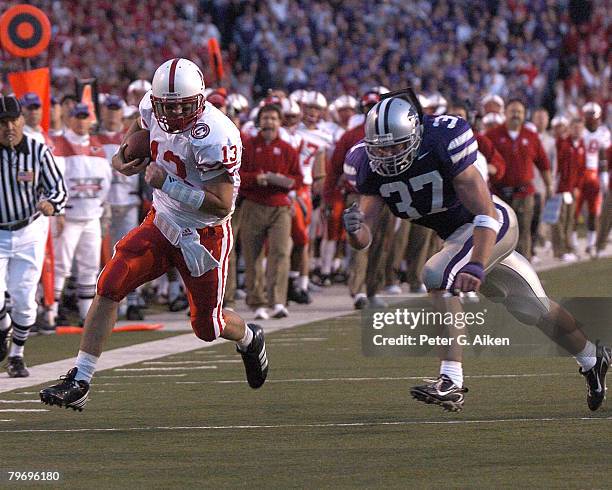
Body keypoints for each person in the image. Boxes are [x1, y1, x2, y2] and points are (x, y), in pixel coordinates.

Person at [342, 90, 610, 412]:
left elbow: (486, 213)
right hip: (457, 238)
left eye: (396, 145)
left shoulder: (442, 141)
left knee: (436, 273)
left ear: (415, 134)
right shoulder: (366, 166)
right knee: (532, 309)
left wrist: (477, 264)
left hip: (492, 224)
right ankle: (592, 358)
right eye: (380, 148)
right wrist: (355, 228)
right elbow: (364, 239)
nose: (388, 155)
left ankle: (450, 380)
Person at [40, 58, 268, 410]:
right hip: (160, 221)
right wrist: (120, 158)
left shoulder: (217, 134)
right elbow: (140, 128)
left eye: (183, 106)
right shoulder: (151, 106)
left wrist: (169, 184)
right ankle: (80, 379)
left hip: (202, 234)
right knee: (110, 284)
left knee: (207, 326)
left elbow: (222, 206)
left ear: (201, 100)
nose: (175, 114)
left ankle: (250, 338)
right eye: (168, 105)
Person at [0, 95, 67, 377]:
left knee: (25, 299)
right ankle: (4, 327)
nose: (9, 127)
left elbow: (59, 189)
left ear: (22, 120)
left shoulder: (38, 151)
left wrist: (51, 204)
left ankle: (17, 355)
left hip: (29, 231)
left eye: (13, 120)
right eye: (2, 123)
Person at [49, 103, 113, 326]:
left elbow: (106, 182)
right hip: (68, 216)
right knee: (61, 265)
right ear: (69, 119)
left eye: (85, 117)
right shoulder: (58, 146)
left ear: (90, 120)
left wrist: (101, 206)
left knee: (90, 265)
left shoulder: (97, 147)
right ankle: (51, 312)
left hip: (91, 215)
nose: (81, 121)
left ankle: (86, 315)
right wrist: (59, 211)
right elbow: (55, 181)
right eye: (77, 117)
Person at [239, 102, 302, 319]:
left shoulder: (287, 149)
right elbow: (238, 176)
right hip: (253, 204)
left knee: (281, 253)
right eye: (265, 118)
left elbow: (298, 179)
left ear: (280, 122)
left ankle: (278, 301)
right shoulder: (247, 146)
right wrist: (256, 178)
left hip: (280, 206)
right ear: (259, 121)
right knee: (253, 255)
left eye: (273, 118)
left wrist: (282, 180)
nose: (269, 122)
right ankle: (257, 302)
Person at [486, 99, 553, 260]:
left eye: (519, 112)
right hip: (499, 193)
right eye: (512, 111)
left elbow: (543, 163)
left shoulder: (531, 136)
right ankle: (499, 269)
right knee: (499, 232)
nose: (516, 115)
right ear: (505, 113)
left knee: (523, 232)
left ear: (524, 115)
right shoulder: (492, 135)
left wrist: (549, 185)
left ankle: (524, 270)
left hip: (524, 193)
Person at [573, 102, 610, 257]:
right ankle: (573, 243)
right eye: (588, 117)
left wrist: (604, 176)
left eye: (593, 117)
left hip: (594, 173)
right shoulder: (579, 131)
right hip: (578, 173)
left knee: (594, 211)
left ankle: (591, 243)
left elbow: (604, 156)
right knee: (574, 210)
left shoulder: (603, 133)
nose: (591, 120)